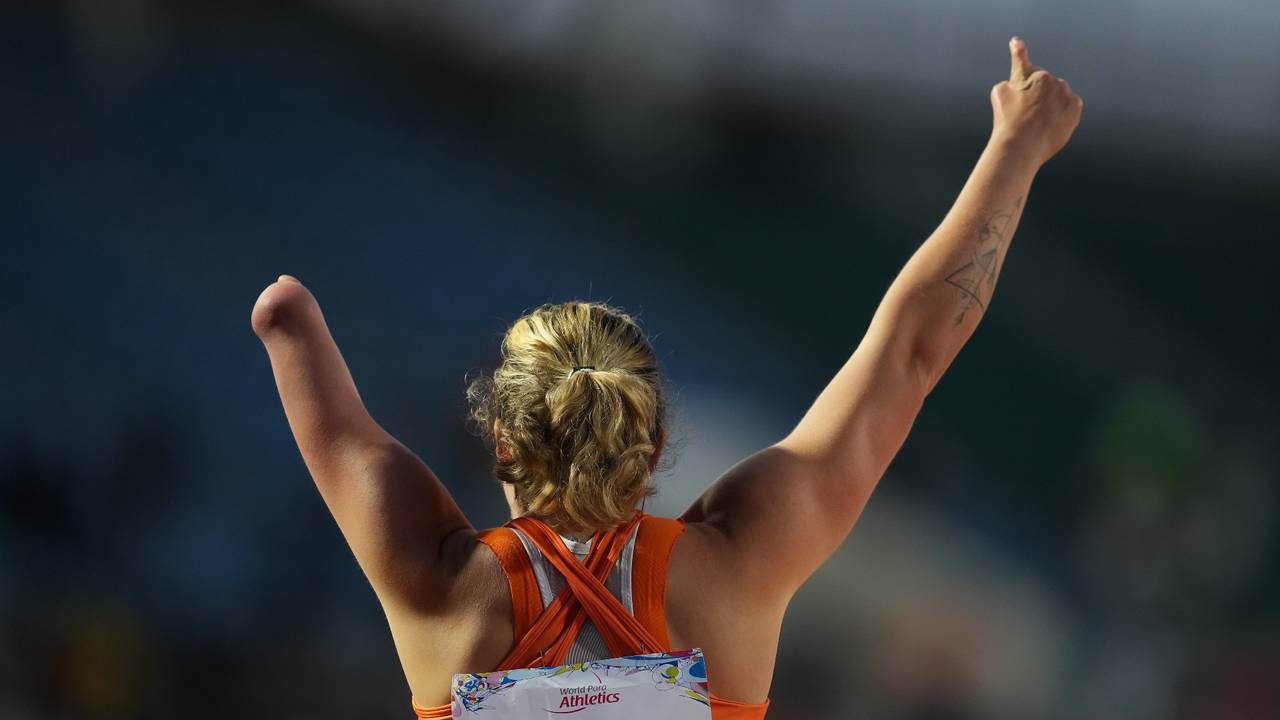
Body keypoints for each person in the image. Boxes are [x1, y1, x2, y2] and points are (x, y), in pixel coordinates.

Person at [250, 36, 1081, 719]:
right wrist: (1015, 152)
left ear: (500, 442)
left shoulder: (442, 588)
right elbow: (909, 353)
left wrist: (285, 323)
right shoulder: (736, 567)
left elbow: (292, 329)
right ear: (654, 447)